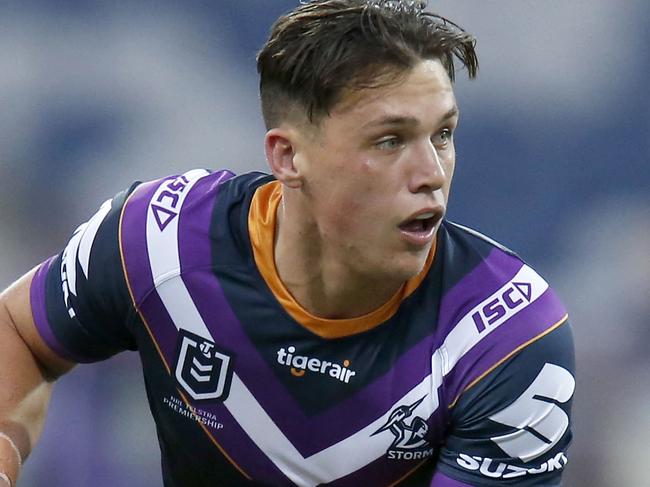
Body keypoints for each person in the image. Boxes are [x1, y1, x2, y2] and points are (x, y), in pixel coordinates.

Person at [0, 0, 576, 485]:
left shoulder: (507, 337)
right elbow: (19, 329)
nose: (432, 171)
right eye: (390, 139)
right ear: (288, 156)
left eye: (443, 134)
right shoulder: (159, 240)